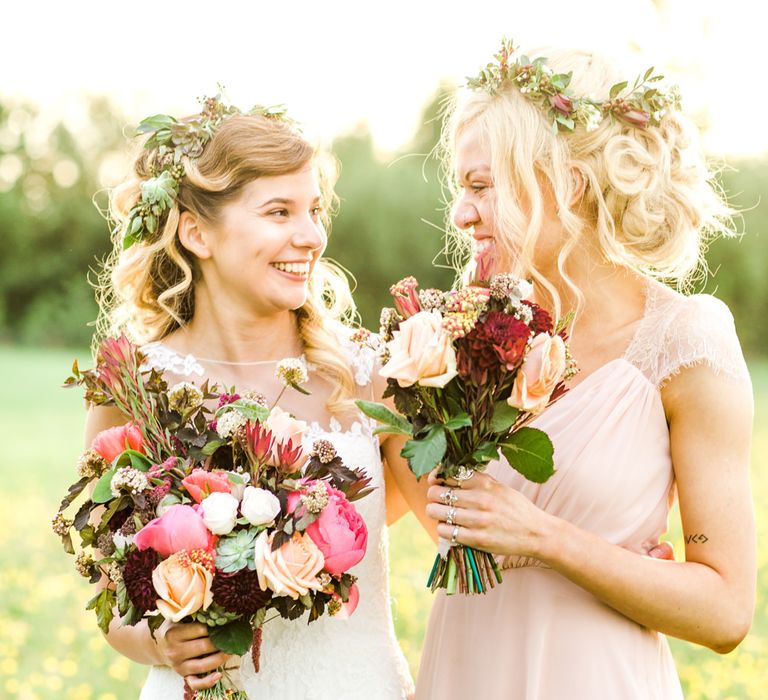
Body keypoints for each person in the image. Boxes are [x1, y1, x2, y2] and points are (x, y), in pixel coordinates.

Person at [417, 41, 756, 699]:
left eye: (481, 186)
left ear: (566, 185)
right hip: (463, 670)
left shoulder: (683, 342)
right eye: (462, 188)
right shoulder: (466, 333)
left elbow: (726, 612)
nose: (461, 214)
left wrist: (548, 539)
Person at [85, 97, 423, 698]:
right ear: (196, 233)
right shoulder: (138, 383)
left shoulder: (367, 374)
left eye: (314, 210)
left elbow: (453, 521)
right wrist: (158, 643)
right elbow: (109, 598)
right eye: (278, 212)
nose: (311, 236)